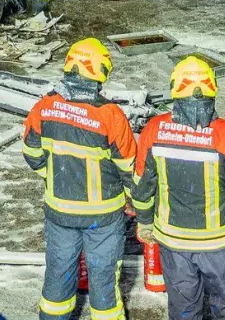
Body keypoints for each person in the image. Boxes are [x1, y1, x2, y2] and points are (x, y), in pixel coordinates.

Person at [133, 56, 225, 320]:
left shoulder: (154, 130)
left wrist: (144, 222)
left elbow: (143, 184)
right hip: (219, 243)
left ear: (175, 90)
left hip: (173, 241)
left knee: (183, 310)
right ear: (212, 90)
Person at [23, 39, 136, 320]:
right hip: (104, 216)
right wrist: (137, 201)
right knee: (104, 282)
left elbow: (31, 152)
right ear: (99, 74)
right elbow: (130, 167)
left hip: (60, 210)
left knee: (58, 277)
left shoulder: (44, 107)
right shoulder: (111, 115)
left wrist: (53, 177)